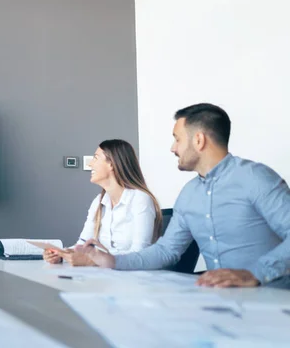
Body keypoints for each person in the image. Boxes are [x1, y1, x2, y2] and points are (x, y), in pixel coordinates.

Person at [77, 103, 290, 288]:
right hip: (223, 301)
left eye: (177, 139)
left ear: (199, 140)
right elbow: (166, 251)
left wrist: (255, 273)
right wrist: (110, 261)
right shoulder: (189, 194)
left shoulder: (256, 178)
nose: (173, 148)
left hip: (273, 298)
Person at [43, 139, 161, 264]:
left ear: (112, 164)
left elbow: (140, 252)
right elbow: (82, 245)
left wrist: (93, 260)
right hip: (107, 275)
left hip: (135, 278)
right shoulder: (98, 202)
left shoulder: (140, 199)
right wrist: (61, 254)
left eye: (95, 158)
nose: (90, 165)